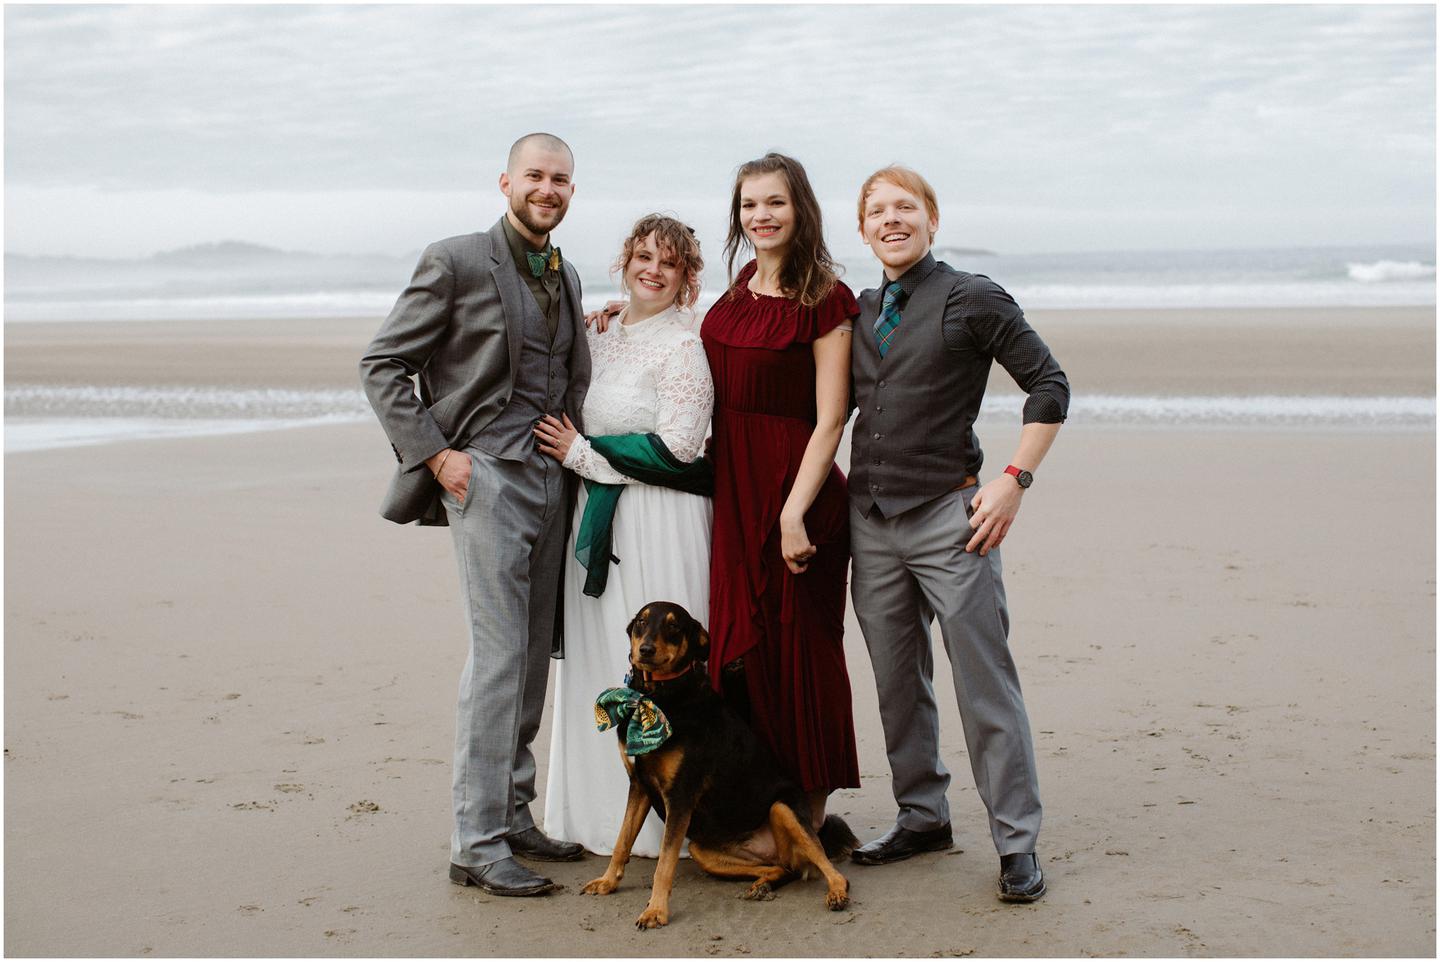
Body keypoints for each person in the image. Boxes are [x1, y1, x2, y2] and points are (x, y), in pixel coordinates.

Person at [359, 132, 591, 898]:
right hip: (485, 476)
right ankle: (476, 840)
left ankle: (513, 814)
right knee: (497, 657)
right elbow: (383, 364)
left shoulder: (571, 274)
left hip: (552, 480)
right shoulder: (456, 259)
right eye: (535, 175)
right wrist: (436, 456)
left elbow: (560, 367)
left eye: (559, 179)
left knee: (532, 655)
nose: (546, 188)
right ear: (505, 182)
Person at [845, 166, 1069, 903]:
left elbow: (1049, 385)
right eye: (876, 211)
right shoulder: (861, 307)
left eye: (905, 207)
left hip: (953, 519)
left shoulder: (973, 295)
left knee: (983, 682)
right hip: (870, 523)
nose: (891, 219)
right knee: (895, 683)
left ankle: (1016, 842)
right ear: (862, 229)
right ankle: (922, 816)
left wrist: (1014, 480)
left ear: (932, 220)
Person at [534, 214, 714, 858]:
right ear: (624, 262)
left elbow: (682, 449)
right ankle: (591, 814)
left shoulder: (685, 346)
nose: (653, 270)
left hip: (659, 520)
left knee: (660, 670)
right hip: (600, 516)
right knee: (598, 661)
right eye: (643, 256)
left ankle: (673, 821)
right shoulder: (602, 336)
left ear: (688, 277)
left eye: (669, 262)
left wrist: (581, 454)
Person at [700, 153, 860, 841]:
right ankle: (764, 808)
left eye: (774, 203)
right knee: (746, 654)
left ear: (801, 210)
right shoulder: (732, 294)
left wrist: (794, 511)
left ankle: (813, 816)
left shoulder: (825, 297)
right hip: (733, 496)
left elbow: (831, 418)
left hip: (799, 499)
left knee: (805, 656)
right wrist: (626, 315)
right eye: (748, 205)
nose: (760, 216)